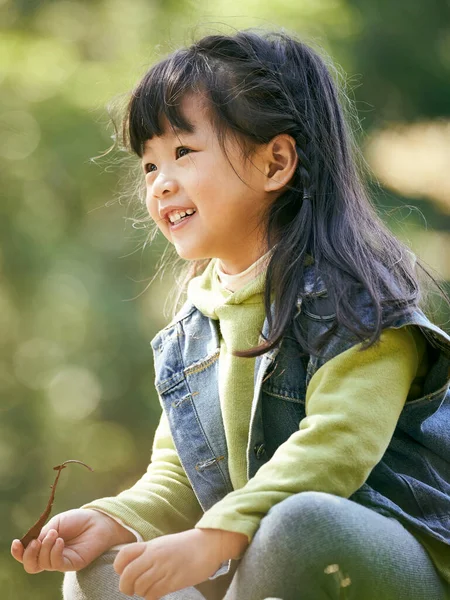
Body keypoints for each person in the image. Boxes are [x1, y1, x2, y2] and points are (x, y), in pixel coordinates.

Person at [11, 29, 450, 600]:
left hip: (387, 555)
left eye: (183, 152)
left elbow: (335, 449)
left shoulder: (359, 300)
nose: (160, 183)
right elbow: (178, 479)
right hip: (258, 565)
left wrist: (217, 536)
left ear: (275, 163)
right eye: (148, 166)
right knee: (101, 572)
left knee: (297, 526)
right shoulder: (197, 327)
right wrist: (113, 518)